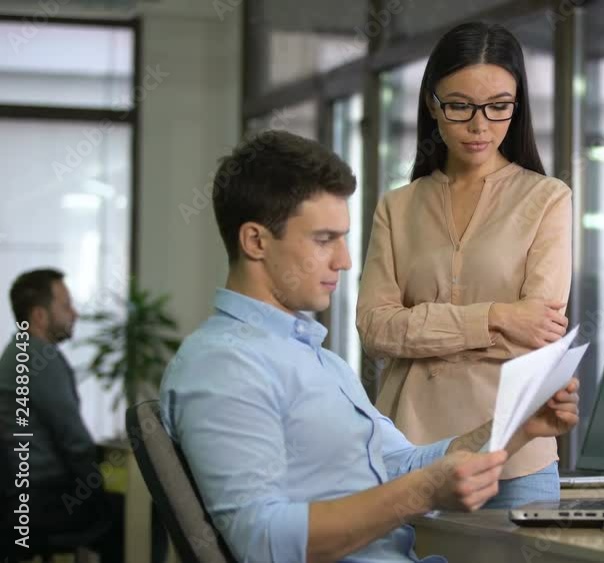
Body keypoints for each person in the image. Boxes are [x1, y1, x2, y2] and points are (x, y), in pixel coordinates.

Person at [160, 130, 579, 562]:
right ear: (256, 241)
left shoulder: (321, 362)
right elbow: (261, 542)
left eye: (343, 239)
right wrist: (418, 494)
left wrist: (517, 426)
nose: (343, 260)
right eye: (324, 239)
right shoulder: (224, 365)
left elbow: (405, 466)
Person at [357, 21, 572, 509]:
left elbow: (538, 331)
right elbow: (374, 329)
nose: (480, 126)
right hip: (407, 453)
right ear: (432, 103)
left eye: (499, 107)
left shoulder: (546, 199)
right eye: (460, 106)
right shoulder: (398, 207)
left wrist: (421, 330)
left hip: (515, 456)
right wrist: (496, 317)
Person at [0, 268, 123, 562]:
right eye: (66, 305)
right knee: (139, 514)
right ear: (40, 316)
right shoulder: (41, 360)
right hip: (44, 502)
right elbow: (74, 442)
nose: (75, 314)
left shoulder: (13, 355)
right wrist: (95, 486)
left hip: (18, 502)